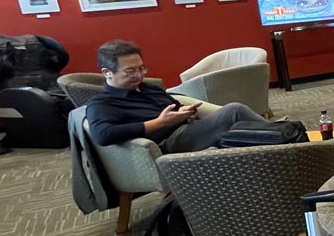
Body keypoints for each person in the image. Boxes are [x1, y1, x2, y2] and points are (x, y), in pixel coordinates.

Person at [85, 40, 266, 153]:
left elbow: (174, 105)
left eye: (141, 68)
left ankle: (279, 141)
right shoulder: (102, 102)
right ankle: (288, 137)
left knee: (241, 127)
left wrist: (184, 112)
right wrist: (159, 123)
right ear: (107, 73)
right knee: (233, 111)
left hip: (189, 129)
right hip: (167, 143)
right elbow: (103, 135)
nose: (139, 75)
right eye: (131, 71)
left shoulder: (148, 88)